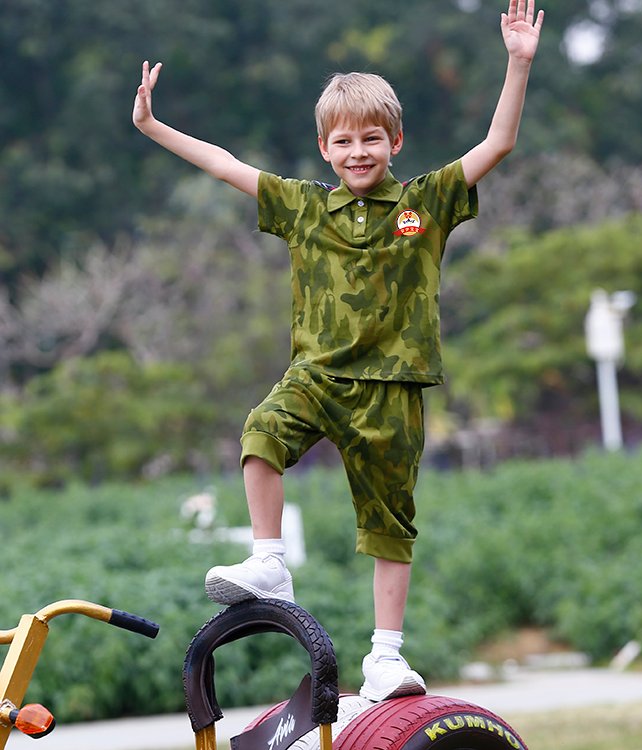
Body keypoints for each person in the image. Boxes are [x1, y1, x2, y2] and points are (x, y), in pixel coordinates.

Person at [133, 0, 544, 702]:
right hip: (318, 373)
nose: (359, 152)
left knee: (390, 525)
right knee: (261, 431)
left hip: (393, 383)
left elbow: (497, 144)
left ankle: (385, 657)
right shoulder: (302, 206)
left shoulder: (426, 202)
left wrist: (517, 62)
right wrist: (151, 125)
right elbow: (225, 165)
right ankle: (269, 561)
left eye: (372, 139)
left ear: (396, 142)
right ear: (325, 148)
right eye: (345, 141)